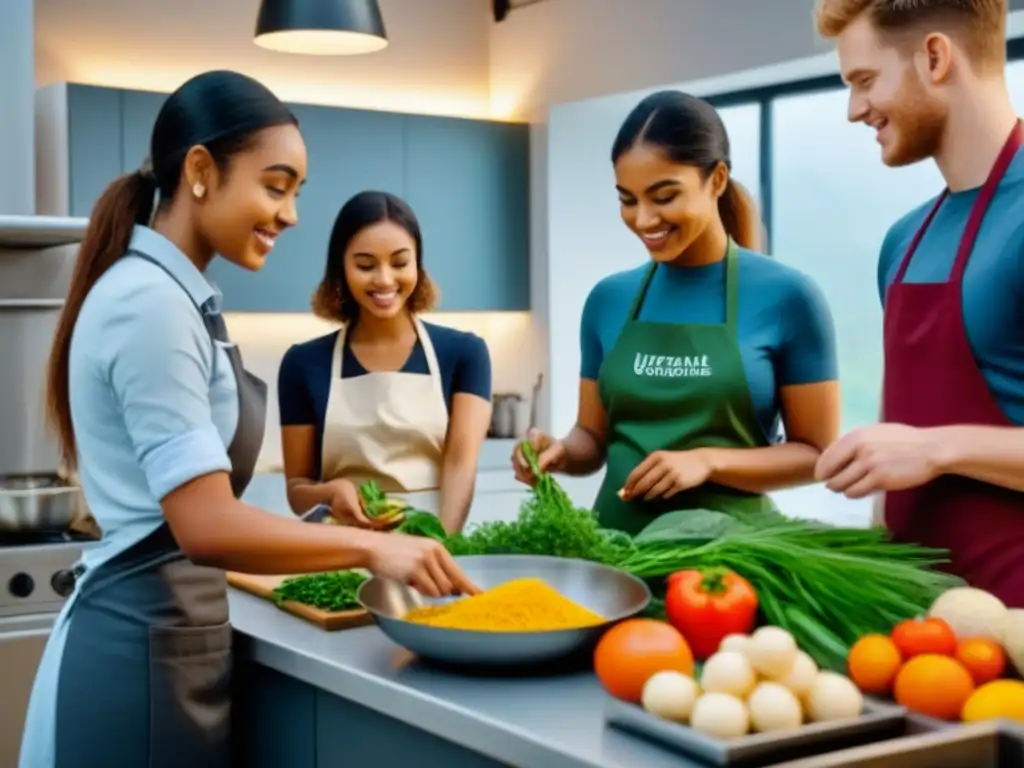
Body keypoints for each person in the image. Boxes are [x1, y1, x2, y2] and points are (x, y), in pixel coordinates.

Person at [19, 71, 475, 768]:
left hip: (169, 639)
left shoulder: (173, 295)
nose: (291, 213)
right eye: (276, 184)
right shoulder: (149, 305)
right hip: (134, 650)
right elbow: (205, 524)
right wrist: (376, 549)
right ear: (201, 170)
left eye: (295, 191)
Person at [512, 90, 841, 535]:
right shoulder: (608, 300)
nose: (644, 219)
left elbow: (817, 455)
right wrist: (560, 452)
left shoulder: (788, 297)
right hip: (615, 553)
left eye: (664, 196)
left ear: (717, 179)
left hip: (733, 562)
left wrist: (707, 462)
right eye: (627, 199)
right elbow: (592, 438)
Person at [813, 0, 1024, 605]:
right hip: (914, 632)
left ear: (935, 57)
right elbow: (898, 434)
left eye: (865, 81)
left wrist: (933, 448)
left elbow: (920, 445)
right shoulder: (903, 241)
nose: (855, 110)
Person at [277, 191, 493, 535]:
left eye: (400, 262)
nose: (384, 279)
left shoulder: (465, 354)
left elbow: (459, 465)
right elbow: (298, 489)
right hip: (340, 550)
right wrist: (331, 493)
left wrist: (441, 546)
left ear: (418, 264)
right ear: (341, 269)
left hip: (433, 543)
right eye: (365, 265)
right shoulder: (302, 364)